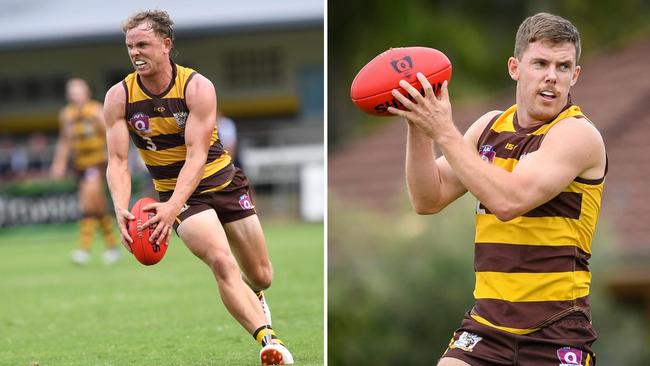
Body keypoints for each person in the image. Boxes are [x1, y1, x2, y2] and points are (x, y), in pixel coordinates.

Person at [388, 13, 606, 366]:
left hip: (555, 332)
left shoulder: (576, 134)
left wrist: (443, 130)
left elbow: (508, 200)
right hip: (486, 328)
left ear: (574, 76)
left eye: (563, 66)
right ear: (515, 68)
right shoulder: (489, 127)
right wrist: (418, 123)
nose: (552, 75)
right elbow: (427, 199)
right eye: (540, 63)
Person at [103, 10, 293, 365]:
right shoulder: (119, 97)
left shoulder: (197, 87)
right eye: (130, 46)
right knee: (221, 263)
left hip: (222, 182)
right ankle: (270, 341)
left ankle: (256, 295)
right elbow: (116, 160)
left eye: (143, 44)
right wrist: (120, 205)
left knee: (261, 274)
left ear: (166, 44)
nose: (135, 53)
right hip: (178, 195)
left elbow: (197, 155)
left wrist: (174, 205)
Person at [51, 78, 120, 265]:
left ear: (87, 92)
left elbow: (112, 133)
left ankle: (84, 248)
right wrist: (59, 163)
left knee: (87, 204)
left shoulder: (96, 110)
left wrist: (114, 158)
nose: (75, 95)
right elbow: (65, 141)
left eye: (78, 91)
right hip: (80, 165)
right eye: (72, 92)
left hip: (97, 163)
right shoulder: (66, 115)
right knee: (97, 208)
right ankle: (113, 247)